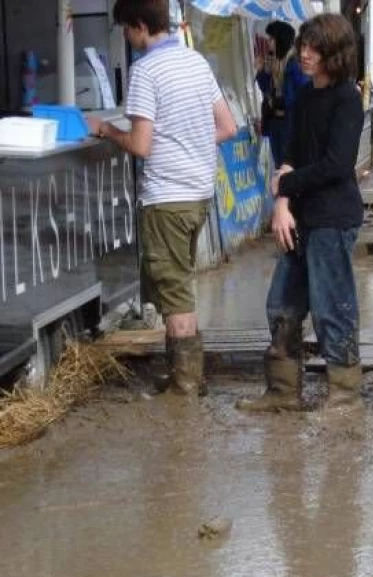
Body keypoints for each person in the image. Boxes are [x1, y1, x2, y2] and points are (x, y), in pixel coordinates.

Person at [88, 0, 237, 396]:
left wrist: (106, 131)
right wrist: (189, 143)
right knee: (179, 284)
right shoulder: (196, 61)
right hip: (200, 194)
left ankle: (187, 384)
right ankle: (181, 374)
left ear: (140, 25)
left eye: (125, 28)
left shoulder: (145, 71)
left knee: (175, 295)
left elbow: (140, 145)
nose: (125, 36)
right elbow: (226, 127)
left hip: (167, 197)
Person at [237, 13, 365, 414]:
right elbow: (289, 155)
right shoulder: (306, 96)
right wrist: (282, 203)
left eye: (314, 49)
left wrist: (286, 186)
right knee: (281, 303)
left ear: (336, 54)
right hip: (299, 217)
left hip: (333, 217)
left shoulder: (347, 99)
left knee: (332, 305)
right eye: (303, 46)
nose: (305, 55)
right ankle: (282, 391)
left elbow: (337, 165)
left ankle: (345, 395)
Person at [256, 21, 309, 168]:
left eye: (272, 39)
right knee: (279, 165)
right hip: (275, 122)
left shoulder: (294, 64)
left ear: (280, 39)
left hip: (290, 122)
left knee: (288, 165)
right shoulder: (275, 61)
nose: (269, 43)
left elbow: (300, 94)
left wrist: (281, 102)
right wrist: (261, 71)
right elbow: (267, 88)